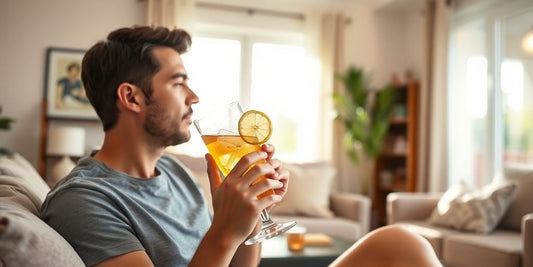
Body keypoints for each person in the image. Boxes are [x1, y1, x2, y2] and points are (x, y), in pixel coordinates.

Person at [41, 25, 442, 267]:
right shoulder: (85, 199)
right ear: (131, 98)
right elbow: (220, 243)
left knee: (399, 240)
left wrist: (252, 218)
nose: (194, 97)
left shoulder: (177, 173)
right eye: (178, 82)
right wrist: (223, 229)